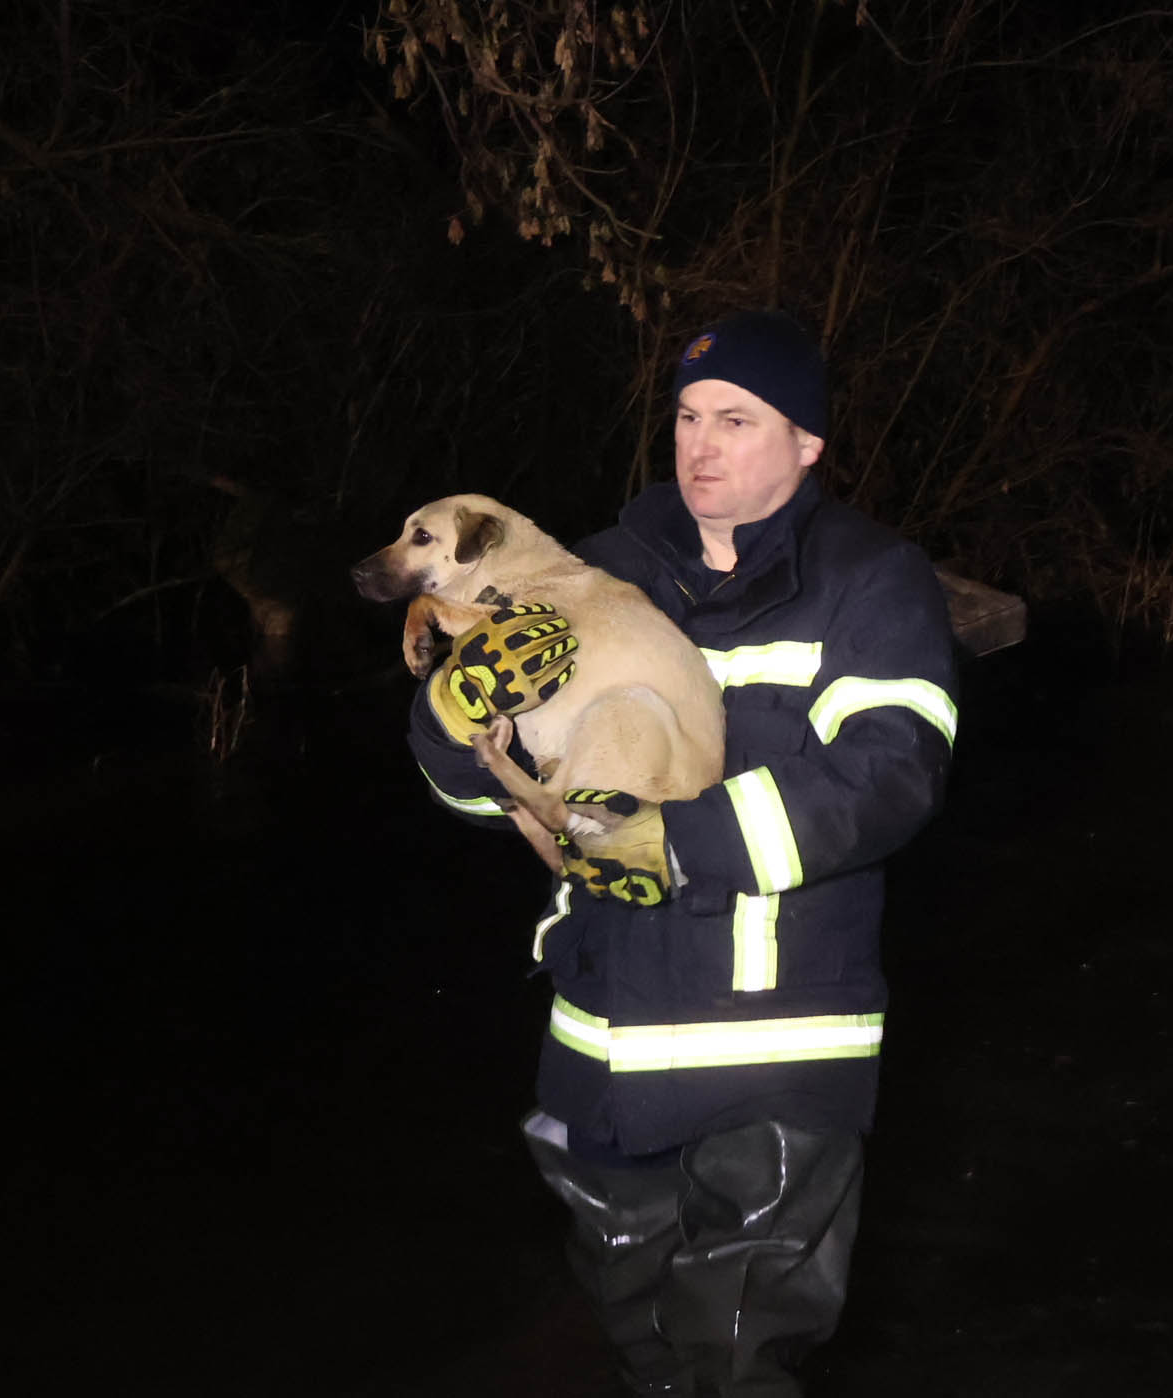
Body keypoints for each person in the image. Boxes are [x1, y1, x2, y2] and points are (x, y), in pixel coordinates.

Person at [408, 310, 959, 1396]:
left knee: (738, 1356)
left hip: (773, 1045)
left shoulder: (871, 580)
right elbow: (477, 798)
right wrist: (448, 722)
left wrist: (682, 838)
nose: (700, 445)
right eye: (687, 417)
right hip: (604, 1038)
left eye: (736, 421)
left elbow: (890, 776)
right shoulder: (592, 571)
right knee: (640, 1343)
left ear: (807, 442)